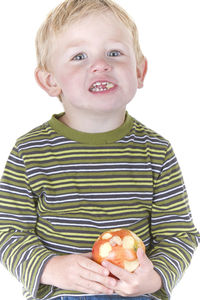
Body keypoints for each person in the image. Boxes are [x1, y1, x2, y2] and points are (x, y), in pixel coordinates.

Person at [0, 0, 199, 299]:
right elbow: (8, 231)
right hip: (63, 295)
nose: (101, 64)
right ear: (50, 81)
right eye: (79, 56)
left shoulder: (157, 152)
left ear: (140, 70)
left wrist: (154, 278)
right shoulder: (31, 151)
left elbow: (178, 234)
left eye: (114, 53)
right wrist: (50, 267)